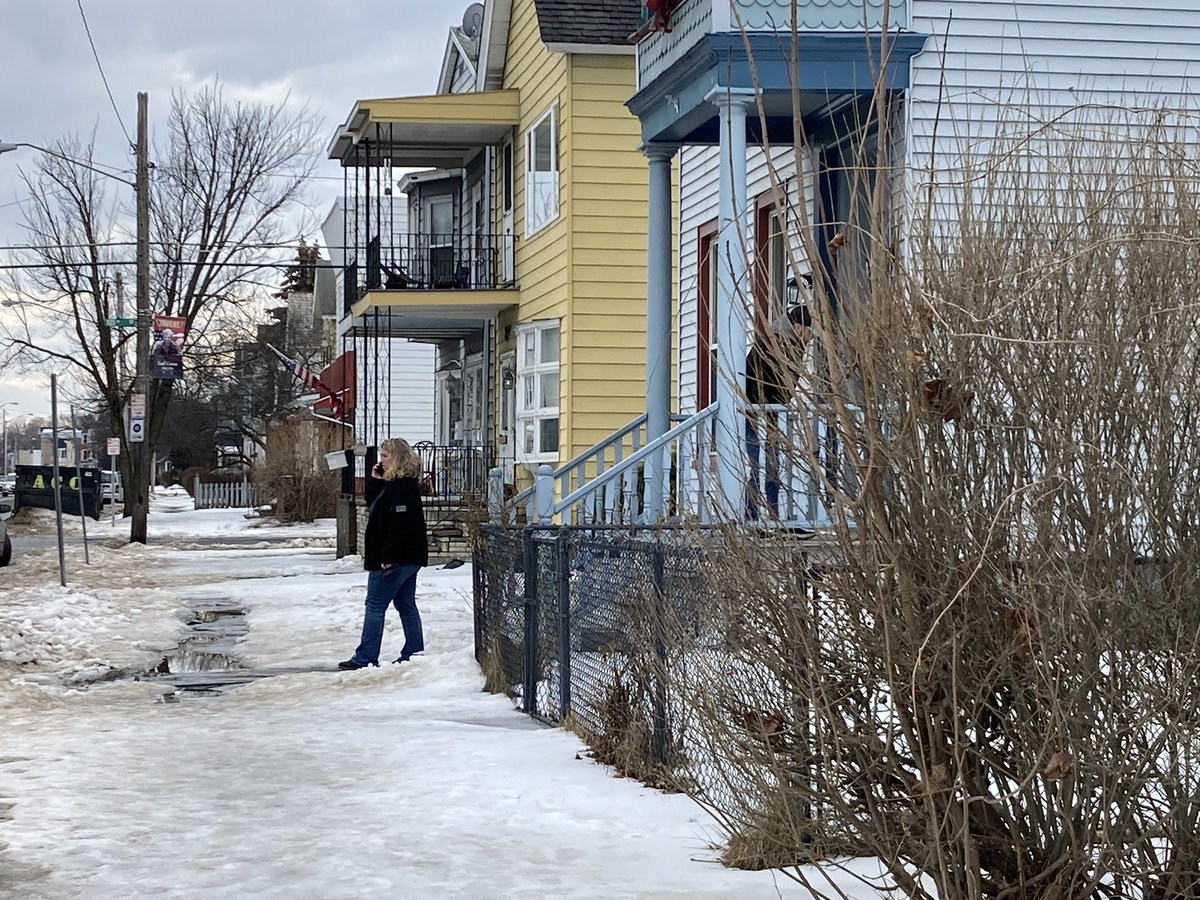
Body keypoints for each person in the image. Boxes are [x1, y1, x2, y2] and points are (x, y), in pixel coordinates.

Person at [339, 437, 429, 670]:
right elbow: (373, 504)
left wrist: (389, 557)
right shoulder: (393, 484)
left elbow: (400, 524)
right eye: (381, 455)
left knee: (375, 605)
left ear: (398, 458)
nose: (381, 460)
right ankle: (414, 652)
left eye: (385, 456)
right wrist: (375, 481)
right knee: (405, 603)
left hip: (395, 559)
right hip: (406, 557)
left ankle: (366, 656)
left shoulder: (403, 488)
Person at [745, 304, 812, 519]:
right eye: (810, 332)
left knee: (767, 467)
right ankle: (755, 518)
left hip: (766, 415)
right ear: (799, 327)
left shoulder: (777, 340)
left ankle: (767, 518)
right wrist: (768, 418)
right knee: (762, 467)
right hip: (759, 415)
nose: (811, 338)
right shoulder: (779, 346)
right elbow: (775, 387)